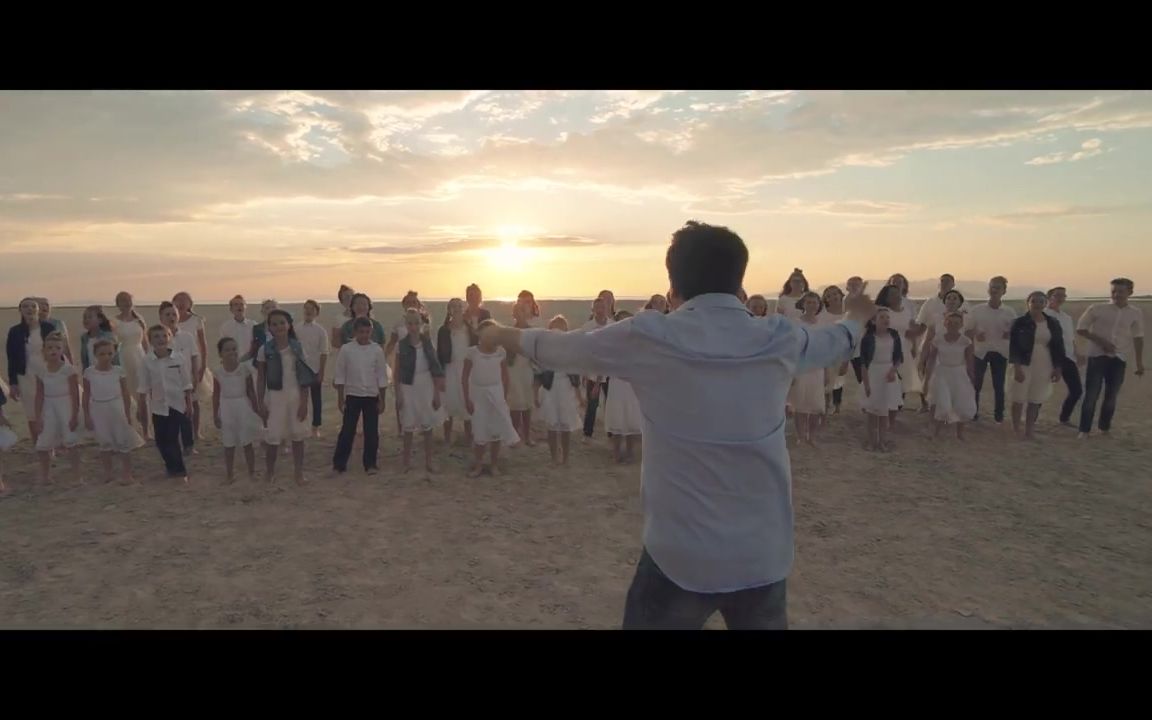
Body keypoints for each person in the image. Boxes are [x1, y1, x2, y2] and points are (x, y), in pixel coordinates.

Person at [480, 221, 873, 630]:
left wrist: (495, 332)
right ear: (739, 285)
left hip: (680, 557)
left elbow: (558, 348)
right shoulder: (780, 338)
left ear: (673, 288)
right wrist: (857, 315)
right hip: (762, 552)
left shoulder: (649, 336)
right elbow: (839, 340)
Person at [1076, 278, 1145, 439]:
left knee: (1111, 396)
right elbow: (1081, 328)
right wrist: (1101, 341)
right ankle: (1084, 430)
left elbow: (1138, 337)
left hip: (1119, 358)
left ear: (1130, 293)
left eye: (1121, 291)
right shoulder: (1097, 308)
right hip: (1097, 356)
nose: (1116, 294)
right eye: (1113, 291)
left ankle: (1104, 428)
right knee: (1091, 394)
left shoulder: (1135, 312)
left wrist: (1139, 363)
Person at [255, 309, 315, 485]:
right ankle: (270, 472)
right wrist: (260, 402)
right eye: (274, 324)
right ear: (269, 327)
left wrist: (304, 402)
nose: (279, 326)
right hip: (274, 397)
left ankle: (298, 472)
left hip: (295, 395)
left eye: (282, 322)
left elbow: (304, 376)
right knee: (273, 437)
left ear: (289, 325)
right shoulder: (264, 349)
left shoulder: (297, 347)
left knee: (297, 435)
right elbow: (260, 378)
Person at [332, 317, 390, 476]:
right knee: (347, 430)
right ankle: (339, 464)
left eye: (367, 332)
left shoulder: (377, 350)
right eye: (361, 332)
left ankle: (370, 464)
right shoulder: (346, 349)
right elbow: (340, 375)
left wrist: (382, 399)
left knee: (371, 431)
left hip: (371, 395)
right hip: (352, 395)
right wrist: (340, 397)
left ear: (371, 331)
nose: (364, 335)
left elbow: (381, 375)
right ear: (355, 332)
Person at [462, 319, 520, 478]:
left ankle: (494, 464)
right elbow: (465, 376)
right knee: (480, 431)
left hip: (496, 393)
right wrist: (467, 398)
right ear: (480, 335)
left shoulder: (500, 352)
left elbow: (505, 376)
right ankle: (479, 464)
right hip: (478, 394)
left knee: (495, 432)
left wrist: (504, 396)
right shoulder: (472, 352)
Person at [83, 338, 144, 483]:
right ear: (95, 355)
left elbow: (125, 393)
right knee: (104, 442)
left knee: (122, 441)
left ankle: (127, 473)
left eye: (110, 353)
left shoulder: (119, 371)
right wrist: (87, 415)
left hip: (116, 407)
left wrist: (127, 413)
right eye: (102, 354)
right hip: (98, 408)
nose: (106, 357)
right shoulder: (89, 372)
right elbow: (86, 395)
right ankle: (108, 473)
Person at [137, 325, 193, 482]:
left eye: (163, 336)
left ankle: (180, 472)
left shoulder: (178, 358)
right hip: (158, 407)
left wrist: (189, 404)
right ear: (150, 340)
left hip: (177, 404)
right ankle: (170, 467)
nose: (160, 339)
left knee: (172, 439)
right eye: (156, 336)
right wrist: (141, 406)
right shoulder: (147, 361)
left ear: (169, 337)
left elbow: (186, 383)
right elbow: (143, 387)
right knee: (161, 441)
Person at [1009, 291, 1066, 440]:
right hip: (1024, 361)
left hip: (1044, 362)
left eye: (1041, 301)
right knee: (1019, 396)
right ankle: (1016, 429)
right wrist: (1017, 367)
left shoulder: (1053, 323)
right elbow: (1013, 346)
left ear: (1045, 303)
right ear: (1028, 303)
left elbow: (1059, 346)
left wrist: (1058, 367)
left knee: (1035, 397)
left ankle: (1029, 430)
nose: (1037, 304)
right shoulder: (1019, 322)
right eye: (1034, 301)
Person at [395, 308, 444, 474]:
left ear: (421, 323)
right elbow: (397, 372)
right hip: (408, 386)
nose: (413, 326)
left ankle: (429, 461)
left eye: (416, 323)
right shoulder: (401, 345)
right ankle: (406, 461)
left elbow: (435, 368)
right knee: (408, 425)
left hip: (426, 384)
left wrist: (437, 393)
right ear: (406, 324)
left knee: (427, 426)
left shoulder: (428, 343)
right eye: (410, 323)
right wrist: (399, 393)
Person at [533, 315, 584, 466]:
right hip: (550, 390)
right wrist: (535, 394)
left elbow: (575, 378)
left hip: (565, 390)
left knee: (566, 426)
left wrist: (580, 397)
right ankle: (554, 456)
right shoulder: (544, 352)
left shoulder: (570, 352)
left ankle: (566, 457)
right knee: (552, 425)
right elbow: (538, 376)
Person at [967, 276, 1018, 424]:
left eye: (998, 287)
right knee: (976, 383)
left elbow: (1015, 331)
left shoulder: (1009, 311)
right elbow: (968, 329)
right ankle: (973, 412)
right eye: (992, 287)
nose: (994, 290)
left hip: (1000, 351)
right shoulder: (977, 310)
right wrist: (977, 334)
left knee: (999, 385)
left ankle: (999, 416)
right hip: (980, 351)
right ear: (988, 289)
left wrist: (1009, 334)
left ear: (1004, 291)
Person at [6, 297, 57, 445]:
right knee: (31, 412)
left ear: (38, 309)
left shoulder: (48, 328)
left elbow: (58, 351)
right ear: (20, 310)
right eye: (25, 306)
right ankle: (38, 442)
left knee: (49, 408)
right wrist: (13, 383)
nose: (29, 309)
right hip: (26, 375)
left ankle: (51, 442)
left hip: (47, 373)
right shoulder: (15, 331)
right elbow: (12, 358)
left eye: (32, 306)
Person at [34, 333, 83, 485]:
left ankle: (77, 476)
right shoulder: (41, 370)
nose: (53, 351)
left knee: (70, 442)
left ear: (62, 350)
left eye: (57, 348)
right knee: (43, 444)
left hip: (65, 405)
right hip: (49, 407)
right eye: (49, 348)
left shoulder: (68, 370)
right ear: (44, 351)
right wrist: (38, 417)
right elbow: (39, 394)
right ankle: (45, 475)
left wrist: (74, 415)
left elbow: (75, 394)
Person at [212, 337, 262, 484]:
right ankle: (229, 474)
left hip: (242, 405)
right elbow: (216, 395)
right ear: (220, 353)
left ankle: (252, 472)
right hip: (226, 406)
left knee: (247, 442)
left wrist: (255, 408)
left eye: (234, 349)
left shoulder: (244, 369)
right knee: (229, 443)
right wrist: (216, 414)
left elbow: (251, 391)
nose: (231, 352)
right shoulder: (218, 372)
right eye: (227, 350)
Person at [922, 311, 977, 441]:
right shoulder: (937, 340)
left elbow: (970, 361)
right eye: (950, 322)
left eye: (956, 323)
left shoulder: (966, 341)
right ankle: (935, 431)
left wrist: (972, 378)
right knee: (940, 402)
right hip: (942, 373)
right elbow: (931, 359)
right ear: (945, 323)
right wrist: (927, 378)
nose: (953, 325)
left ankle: (960, 433)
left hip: (959, 373)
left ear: (961, 324)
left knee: (961, 403)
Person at [159, 301, 200, 454]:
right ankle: (172, 444)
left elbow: (194, 357)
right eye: (167, 314)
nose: (171, 317)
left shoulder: (187, 337)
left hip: (185, 381)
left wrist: (195, 377)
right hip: (167, 383)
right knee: (170, 415)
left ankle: (189, 445)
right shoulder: (159, 337)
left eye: (173, 314)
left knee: (187, 413)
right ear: (161, 317)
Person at [860, 308, 903, 451]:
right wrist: (866, 383)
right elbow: (864, 363)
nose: (886, 320)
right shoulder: (867, 338)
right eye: (882, 317)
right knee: (873, 412)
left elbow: (898, 357)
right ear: (874, 321)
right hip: (874, 373)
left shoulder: (894, 335)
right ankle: (873, 441)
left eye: (887, 317)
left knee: (885, 411)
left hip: (889, 372)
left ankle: (882, 441)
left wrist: (893, 371)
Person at [605, 310, 644, 462]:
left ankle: (630, 452)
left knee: (631, 418)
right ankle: (616, 452)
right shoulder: (612, 341)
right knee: (618, 417)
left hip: (632, 384)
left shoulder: (638, 342)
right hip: (617, 383)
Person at [173, 292, 212, 444]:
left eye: (185, 301)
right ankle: (180, 431)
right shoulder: (170, 320)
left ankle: (196, 431)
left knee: (194, 400)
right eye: (178, 301)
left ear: (190, 303)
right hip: (175, 365)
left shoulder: (196, 320)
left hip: (193, 363)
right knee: (178, 400)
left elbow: (203, 345)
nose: (181, 304)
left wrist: (202, 367)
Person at [790, 292, 826, 445]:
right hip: (800, 366)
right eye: (809, 302)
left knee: (815, 404)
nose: (812, 305)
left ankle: (811, 435)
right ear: (803, 304)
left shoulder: (822, 324)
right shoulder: (796, 323)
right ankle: (800, 435)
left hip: (817, 367)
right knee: (800, 403)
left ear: (819, 305)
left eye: (815, 302)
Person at [1044, 286, 1084, 426]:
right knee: (1040, 389)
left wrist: (1076, 352)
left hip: (1067, 356)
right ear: (1049, 297)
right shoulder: (1043, 315)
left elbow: (1070, 338)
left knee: (1076, 390)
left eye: (1063, 296)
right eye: (1057, 295)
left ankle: (1064, 418)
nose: (1060, 298)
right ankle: (1032, 418)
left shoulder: (1066, 317)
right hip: (1047, 356)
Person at [113, 291, 150, 440]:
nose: (126, 303)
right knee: (125, 395)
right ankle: (128, 429)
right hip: (123, 357)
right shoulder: (114, 321)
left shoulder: (139, 320)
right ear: (118, 304)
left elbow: (145, 342)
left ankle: (146, 431)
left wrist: (149, 358)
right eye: (122, 301)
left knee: (143, 395)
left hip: (139, 356)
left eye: (128, 300)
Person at [437, 298, 472, 446]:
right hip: (450, 369)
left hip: (467, 370)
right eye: (453, 306)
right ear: (449, 310)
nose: (457, 309)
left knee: (467, 402)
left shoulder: (469, 328)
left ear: (463, 309)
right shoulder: (444, 330)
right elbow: (439, 354)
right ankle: (447, 438)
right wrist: (441, 376)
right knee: (448, 403)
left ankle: (469, 437)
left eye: (459, 306)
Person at [580, 297, 614, 441]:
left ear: (607, 309)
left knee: (611, 403)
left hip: (611, 371)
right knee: (592, 403)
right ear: (593, 310)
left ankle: (612, 432)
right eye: (597, 307)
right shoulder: (587, 327)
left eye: (603, 307)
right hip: (593, 371)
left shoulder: (613, 325)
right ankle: (587, 433)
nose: (600, 310)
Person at [506, 302, 538, 446]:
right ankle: (514, 435)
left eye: (522, 310)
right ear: (514, 314)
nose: (519, 313)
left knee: (527, 403)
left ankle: (527, 435)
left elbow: (535, 353)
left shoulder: (532, 331)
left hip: (527, 369)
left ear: (527, 313)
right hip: (513, 369)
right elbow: (506, 353)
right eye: (517, 311)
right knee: (515, 404)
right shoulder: (509, 331)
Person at [298, 300, 330, 438]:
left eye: (312, 309)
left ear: (317, 312)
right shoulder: (296, 328)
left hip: (315, 368)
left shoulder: (320, 331)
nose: (308, 311)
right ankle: (300, 423)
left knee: (316, 399)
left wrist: (321, 372)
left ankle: (315, 426)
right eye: (306, 309)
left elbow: (324, 352)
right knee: (300, 398)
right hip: (300, 368)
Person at [820, 286, 848, 414]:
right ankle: (826, 404)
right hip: (825, 349)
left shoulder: (847, 314)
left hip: (842, 350)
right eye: (829, 295)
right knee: (826, 378)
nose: (833, 297)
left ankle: (837, 405)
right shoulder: (821, 314)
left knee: (839, 379)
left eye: (836, 293)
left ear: (841, 295)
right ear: (826, 299)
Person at [78, 305, 119, 371]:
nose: (86, 320)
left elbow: (115, 358)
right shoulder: (84, 337)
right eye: (84, 317)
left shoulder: (108, 336)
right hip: (92, 374)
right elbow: (84, 360)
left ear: (100, 320)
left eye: (90, 317)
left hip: (108, 373)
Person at [36, 298, 75, 364]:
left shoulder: (58, 323)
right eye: (41, 304)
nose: (44, 307)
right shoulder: (32, 325)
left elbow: (66, 346)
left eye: (46, 304)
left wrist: (71, 364)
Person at [219, 295, 256, 363]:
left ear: (245, 307)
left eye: (242, 304)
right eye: (236, 304)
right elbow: (223, 346)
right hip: (233, 362)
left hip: (250, 362)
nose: (239, 307)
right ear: (231, 309)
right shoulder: (226, 327)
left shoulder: (253, 325)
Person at [247, 299, 279, 367]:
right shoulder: (256, 329)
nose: (271, 310)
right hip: (261, 367)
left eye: (273, 307)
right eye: (267, 308)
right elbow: (252, 351)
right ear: (262, 311)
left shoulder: (284, 328)